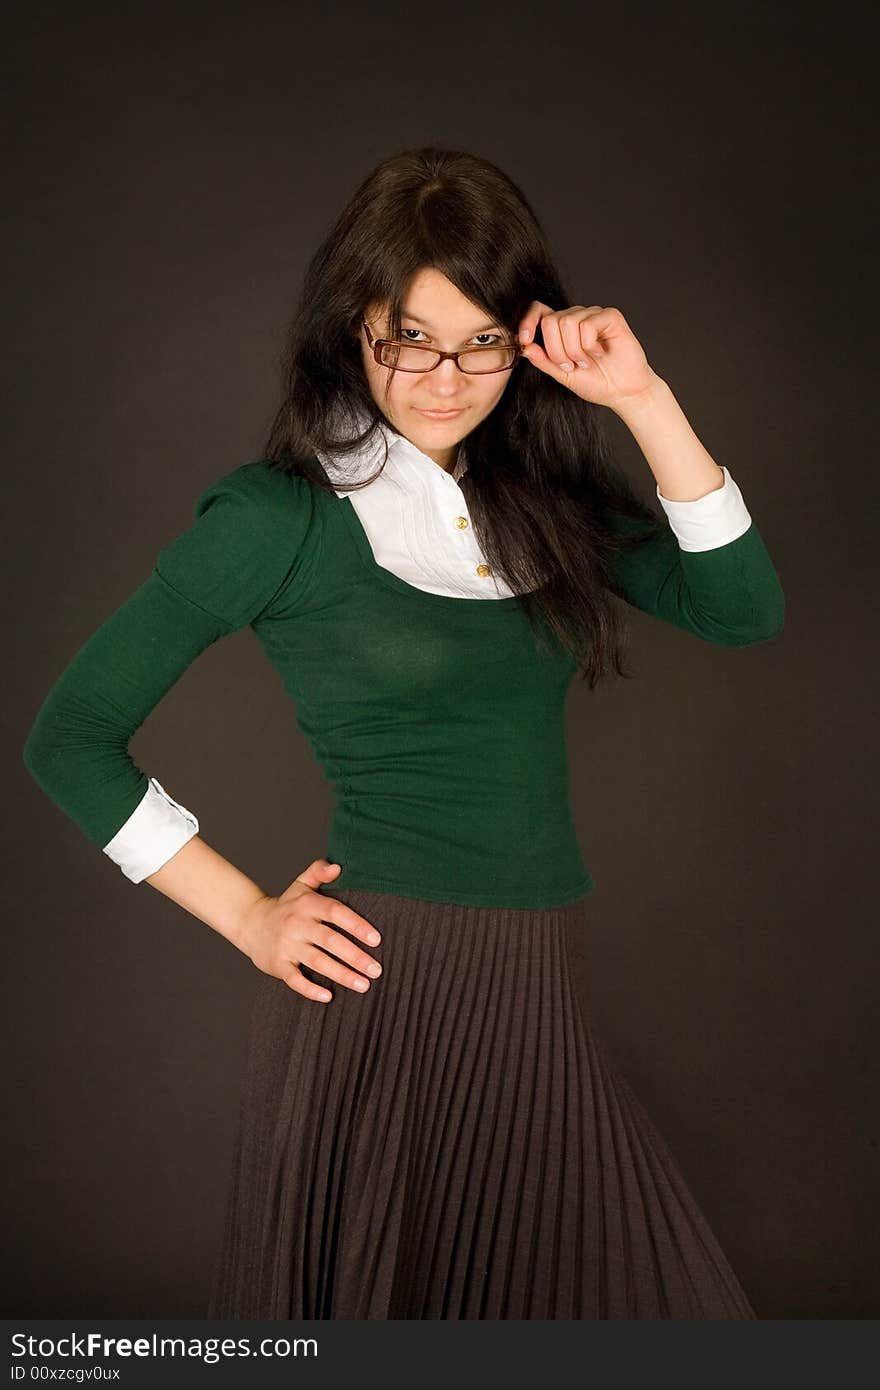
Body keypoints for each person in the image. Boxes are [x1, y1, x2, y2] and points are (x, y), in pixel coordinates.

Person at [22, 145, 784, 1320]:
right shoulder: (276, 519)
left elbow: (743, 612)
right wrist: (248, 916)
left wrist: (641, 396)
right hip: (387, 989)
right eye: (409, 337)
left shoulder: (540, 502)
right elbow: (67, 736)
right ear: (354, 328)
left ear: (522, 339)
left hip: (540, 988)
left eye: (479, 339)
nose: (446, 374)